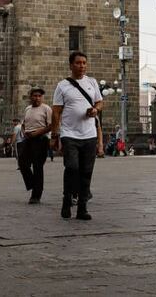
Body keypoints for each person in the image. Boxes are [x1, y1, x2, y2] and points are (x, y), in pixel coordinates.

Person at [50, 51, 103, 221]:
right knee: (72, 167)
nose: (82, 66)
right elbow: (56, 111)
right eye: (79, 63)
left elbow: (99, 102)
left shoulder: (92, 82)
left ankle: (82, 208)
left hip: (89, 134)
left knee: (87, 171)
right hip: (69, 133)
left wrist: (95, 109)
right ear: (71, 65)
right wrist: (54, 134)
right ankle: (67, 199)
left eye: (84, 63)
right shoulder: (62, 86)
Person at [19, 87, 52, 203]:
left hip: (41, 139)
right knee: (22, 163)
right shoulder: (28, 109)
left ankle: (36, 196)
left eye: (39, 96)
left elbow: (50, 125)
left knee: (37, 167)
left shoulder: (46, 109)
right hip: (28, 139)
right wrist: (24, 133)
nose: (37, 98)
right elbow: (23, 124)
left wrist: (36, 133)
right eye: (35, 96)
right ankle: (33, 183)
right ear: (30, 97)